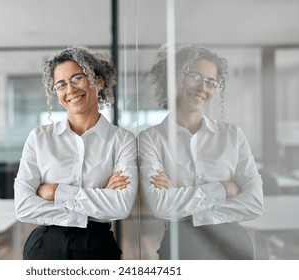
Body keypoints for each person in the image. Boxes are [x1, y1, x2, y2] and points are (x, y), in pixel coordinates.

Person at [138, 45, 263, 259]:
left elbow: (254, 203)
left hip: (233, 245)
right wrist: (223, 189)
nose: (202, 87)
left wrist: (187, 210)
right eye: (194, 76)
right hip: (181, 245)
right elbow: (161, 206)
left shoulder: (232, 135)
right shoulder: (151, 139)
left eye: (211, 81)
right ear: (173, 79)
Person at [14, 46, 138, 260]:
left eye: (77, 78)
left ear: (98, 81)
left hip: (98, 248)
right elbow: (24, 207)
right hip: (45, 247)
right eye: (60, 84)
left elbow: (120, 206)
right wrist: (98, 202)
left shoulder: (122, 140)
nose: (69, 89)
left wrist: (55, 193)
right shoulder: (39, 138)